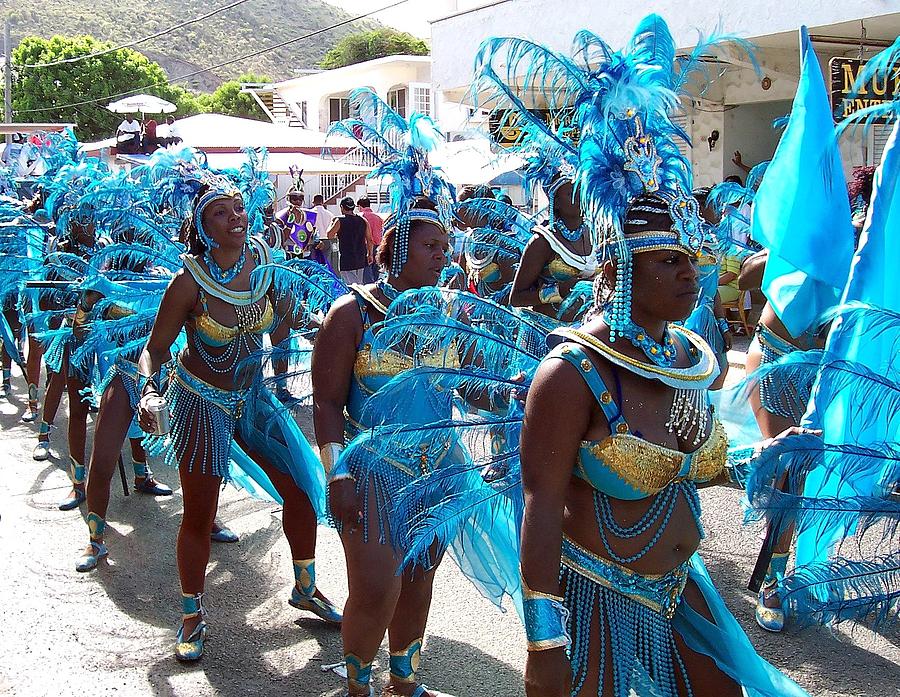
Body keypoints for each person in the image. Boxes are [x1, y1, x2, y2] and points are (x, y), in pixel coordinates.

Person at [136, 164, 340, 662]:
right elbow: (155, 349)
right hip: (201, 400)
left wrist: (333, 326)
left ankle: (305, 587)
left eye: (239, 209)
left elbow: (291, 318)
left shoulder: (268, 265)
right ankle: (190, 616)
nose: (235, 219)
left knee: (299, 490)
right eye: (220, 213)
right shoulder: (189, 282)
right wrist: (148, 389)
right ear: (202, 228)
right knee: (200, 514)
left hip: (254, 398)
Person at [315, 88, 460, 697]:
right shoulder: (352, 314)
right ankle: (357, 683)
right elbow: (324, 403)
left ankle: (405, 679)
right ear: (398, 248)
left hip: (440, 469)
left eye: (445, 245)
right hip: (372, 470)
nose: (443, 255)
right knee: (377, 587)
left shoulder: (450, 311)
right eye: (430, 245)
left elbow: (474, 382)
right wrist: (336, 475)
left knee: (421, 575)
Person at [326, 197, 373, 286]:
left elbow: (329, 235)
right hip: (361, 258)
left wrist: (331, 223)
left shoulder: (340, 221)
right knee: (360, 284)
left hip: (346, 259)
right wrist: (370, 254)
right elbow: (370, 239)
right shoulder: (363, 220)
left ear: (342, 207)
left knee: (351, 287)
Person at [357, 197, 383, 282]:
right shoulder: (378, 218)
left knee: (366, 273)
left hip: (365, 245)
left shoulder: (360, 217)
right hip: (378, 245)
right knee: (375, 271)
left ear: (360, 206)